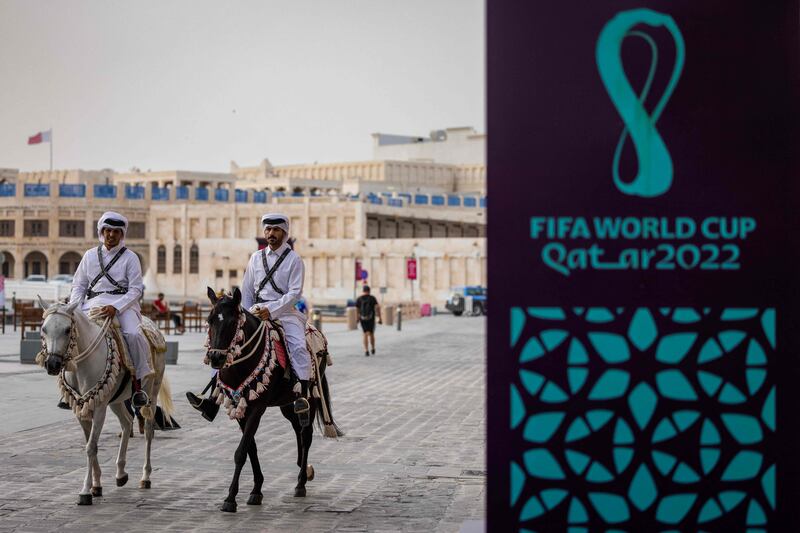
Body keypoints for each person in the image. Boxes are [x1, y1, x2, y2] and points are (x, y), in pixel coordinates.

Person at [68, 211, 152, 407]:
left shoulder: (131, 258)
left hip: (123, 306)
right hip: (93, 304)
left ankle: (139, 384)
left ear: (122, 234)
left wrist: (116, 307)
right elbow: (79, 285)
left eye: (116, 231)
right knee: (69, 333)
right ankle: (69, 383)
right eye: (107, 230)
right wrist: (75, 308)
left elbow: (136, 289)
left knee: (133, 335)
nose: (111, 235)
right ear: (101, 231)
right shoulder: (89, 256)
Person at [241, 213, 313, 425]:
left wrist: (271, 311)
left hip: (285, 313)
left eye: (275, 230)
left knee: (298, 345)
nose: (270, 234)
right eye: (268, 230)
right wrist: (244, 316)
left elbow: (294, 293)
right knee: (228, 342)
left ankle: (303, 395)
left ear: (284, 232)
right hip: (255, 310)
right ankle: (213, 395)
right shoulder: (255, 258)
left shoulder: (294, 260)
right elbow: (246, 290)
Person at [356, 285, 381, 356]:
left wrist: (357, 319)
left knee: (365, 334)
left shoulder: (359, 299)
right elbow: (377, 307)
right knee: (371, 333)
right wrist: (380, 318)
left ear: (363, 291)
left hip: (362, 318)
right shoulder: (372, 298)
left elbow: (357, 310)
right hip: (371, 318)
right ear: (369, 291)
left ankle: (366, 350)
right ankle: (373, 348)